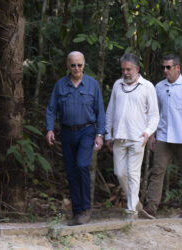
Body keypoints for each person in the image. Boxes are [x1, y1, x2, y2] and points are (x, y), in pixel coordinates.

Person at [142, 54, 182, 219]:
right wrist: (152, 135)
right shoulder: (159, 87)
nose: (165, 70)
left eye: (168, 67)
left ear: (177, 68)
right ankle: (151, 208)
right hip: (163, 136)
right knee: (157, 171)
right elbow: (155, 113)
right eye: (163, 67)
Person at [46, 51, 105, 226]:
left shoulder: (93, 85)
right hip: (66, 132)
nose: (76, 68)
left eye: (79, 65)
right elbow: (51, 109)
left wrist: (100, 134)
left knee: (82, 166)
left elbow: (100, 111)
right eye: (73, 65)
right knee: (71, 173)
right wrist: (49, 129)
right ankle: (77, 212)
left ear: (84, 65)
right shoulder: (60, 85)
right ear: (68, 66)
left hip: (87, 131)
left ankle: (86, 208)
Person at [105, 53, 159, 218]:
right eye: (123, 69)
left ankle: (131, 211)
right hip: (119, 137)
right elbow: (110, 111)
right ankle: (135, 203)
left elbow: (154, 115)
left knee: (133, 173)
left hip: (138, 137)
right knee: (120, 173)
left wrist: (148, 132)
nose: (126, 72)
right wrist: (108, 134)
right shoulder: (117, 85)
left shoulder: (147, 86)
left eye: (129, 69)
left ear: (137, 69)